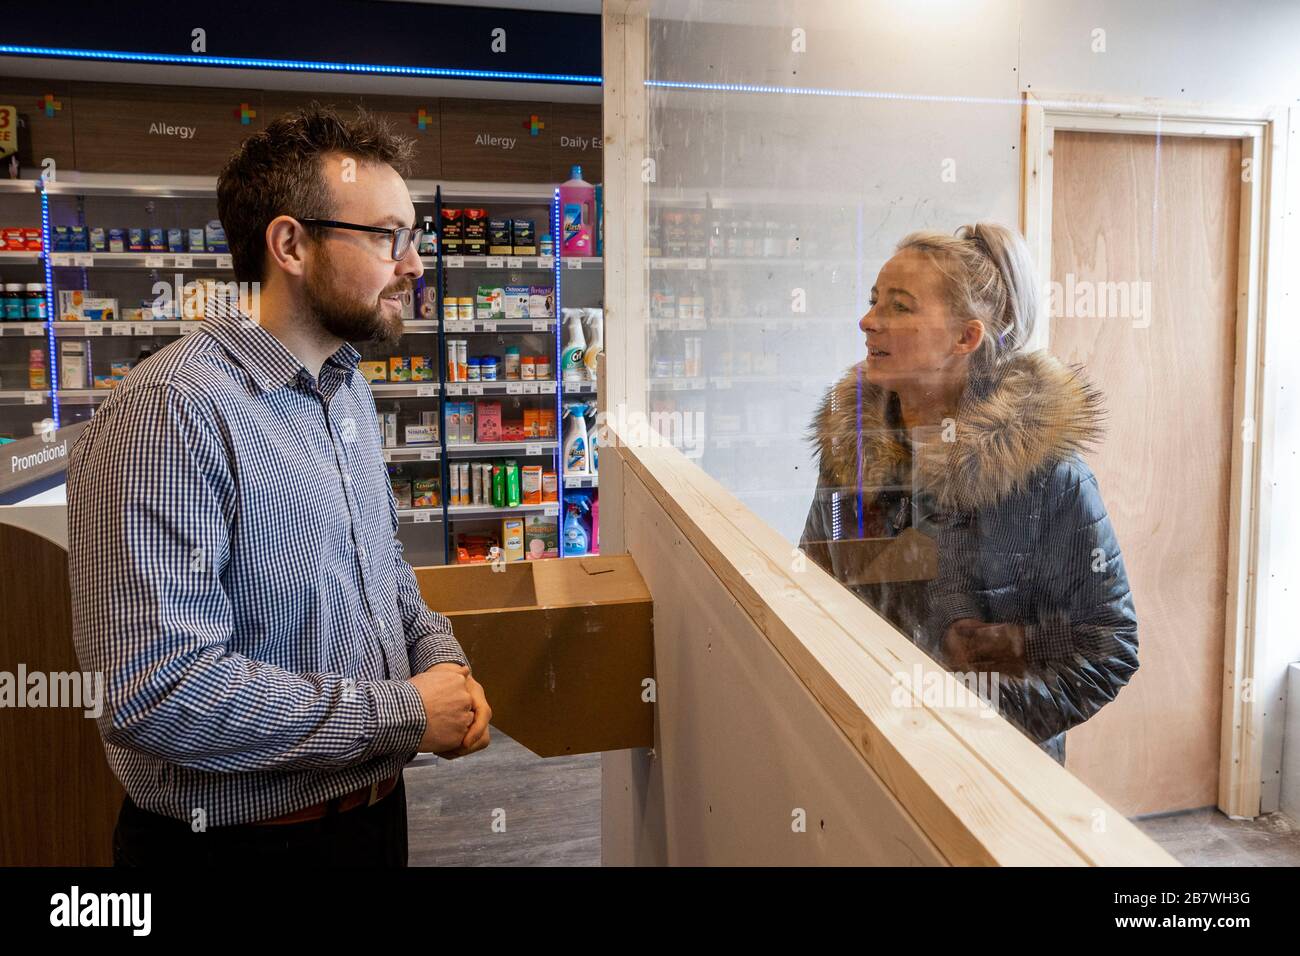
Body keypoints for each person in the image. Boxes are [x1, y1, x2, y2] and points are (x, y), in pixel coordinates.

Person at [67, 104, 491, 865]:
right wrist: (404, 714)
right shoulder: (173, 411)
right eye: (389, 236)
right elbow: (156, 688)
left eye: (415, 238)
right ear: (290, 244)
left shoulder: (345, 386)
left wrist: (443, 660)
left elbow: (380, 566)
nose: (415, 265)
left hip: (371, 819)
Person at [799, 223, 1138, 765]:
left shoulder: (1049, 479)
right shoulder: (853, 454)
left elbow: (1106, 649)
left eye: (900, 307)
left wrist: (969, 724)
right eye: (873, 302)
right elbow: (817, 583)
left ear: (966, 338)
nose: (868, 322)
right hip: (863, 752)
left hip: (991, 778)